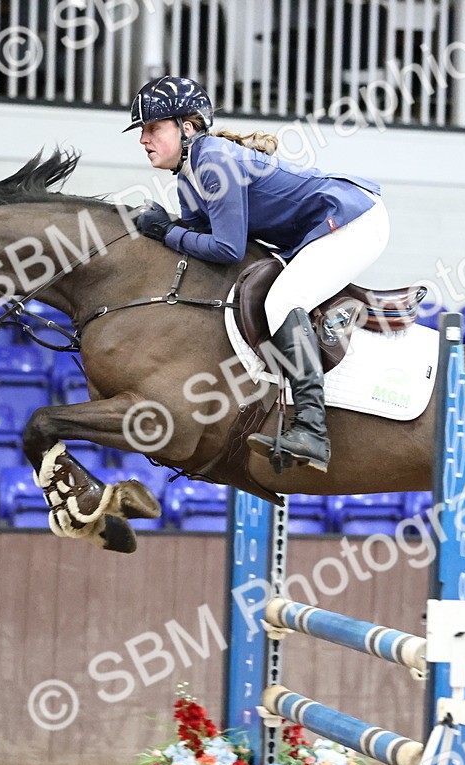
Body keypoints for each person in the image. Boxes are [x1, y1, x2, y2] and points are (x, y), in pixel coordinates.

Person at [125, 75, 389, 473]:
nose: (143, 140)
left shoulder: (214, 160)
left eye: (153, 128)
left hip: (354, 220)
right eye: (142, 131)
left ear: (188, 127)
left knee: (283, 300)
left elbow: (227, 249)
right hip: (326, 227)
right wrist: (166, 235)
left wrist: (169, 232)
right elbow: (200, 242)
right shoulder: (188, 177)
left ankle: (312, 431)